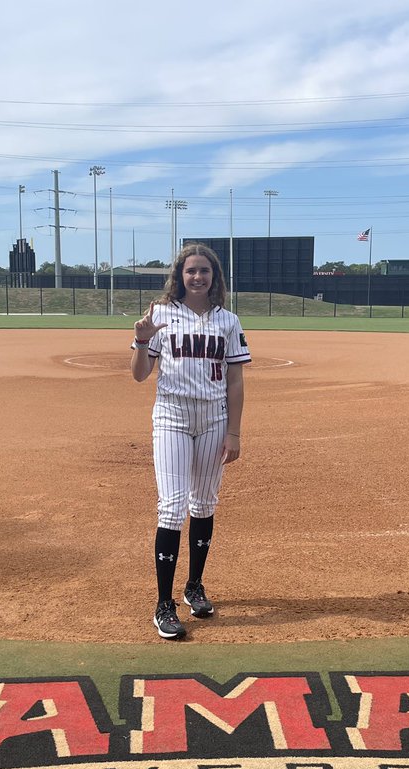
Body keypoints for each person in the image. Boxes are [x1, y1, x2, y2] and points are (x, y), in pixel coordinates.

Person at [131, 243, 250, 639]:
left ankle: (193, 587)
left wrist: (234, 431)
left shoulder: (228, 322)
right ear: (179, 276)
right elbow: (138, 375)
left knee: (204, 504)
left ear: (214, 276)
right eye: (190, 271)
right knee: (172, 506)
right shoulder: (160, 315)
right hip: (172, 415)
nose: (197, 277)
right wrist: (144, 340)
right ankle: (164, 604)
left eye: (204, 271)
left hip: (214, 417)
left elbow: (235, 380)